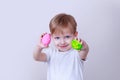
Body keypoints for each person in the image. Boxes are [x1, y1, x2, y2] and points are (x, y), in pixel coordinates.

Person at [33, 13, 89, 80]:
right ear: (51, 37)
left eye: (67, 37)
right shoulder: (51, 53)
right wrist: (39, 47)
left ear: (75, 35)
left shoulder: (76, 53)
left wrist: (83, 46)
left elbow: (85, 50)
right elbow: (37, 57)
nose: (62, 42)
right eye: (57, 38)